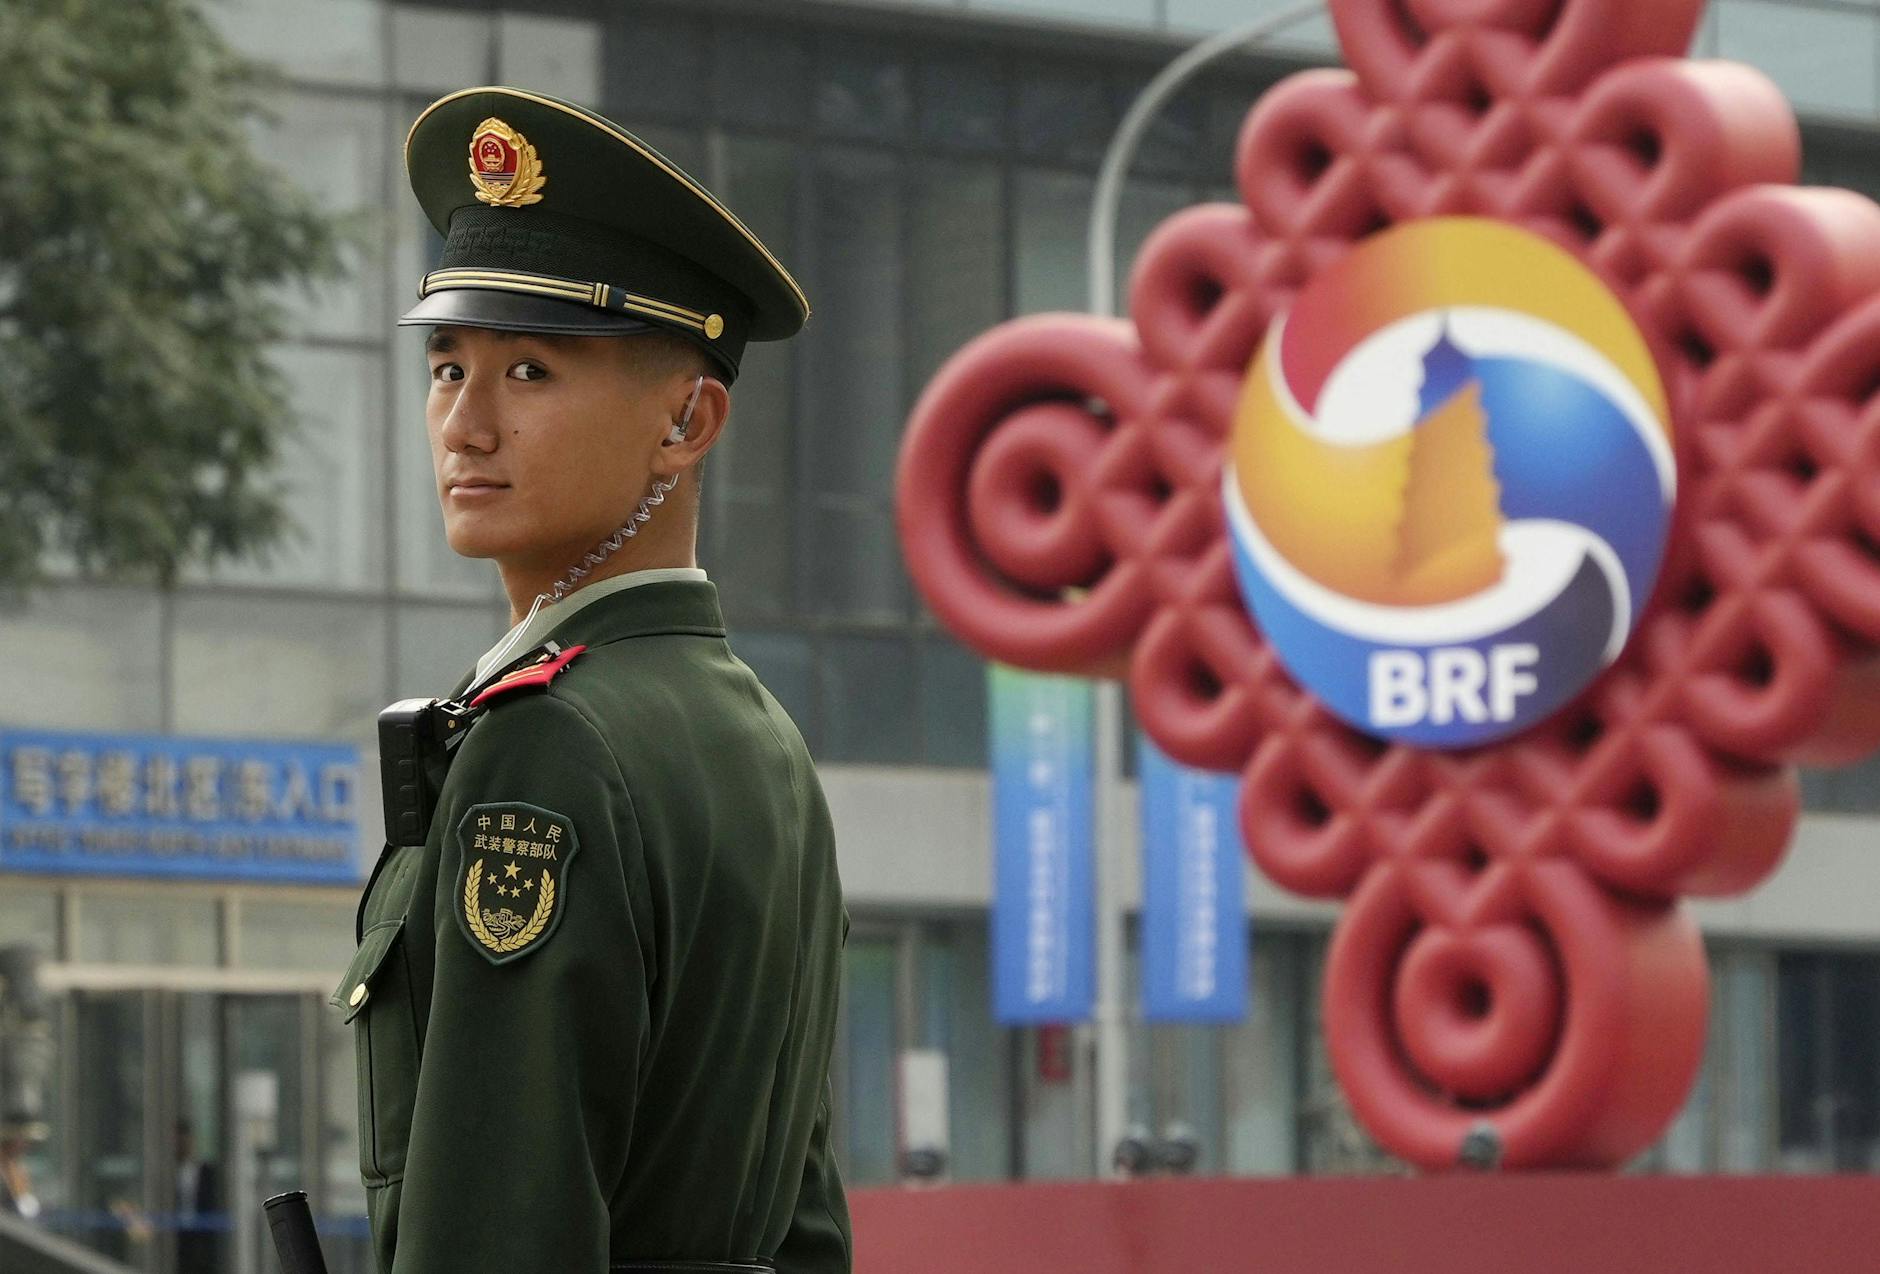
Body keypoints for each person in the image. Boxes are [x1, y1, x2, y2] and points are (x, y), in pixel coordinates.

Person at [331, 86, 850, 1274]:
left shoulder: (547, 743)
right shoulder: (764, 740)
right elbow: (805, 1214)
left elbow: (495, 1227)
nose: (463, 424)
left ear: (687, 421)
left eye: (528, 372)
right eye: (449, 367)